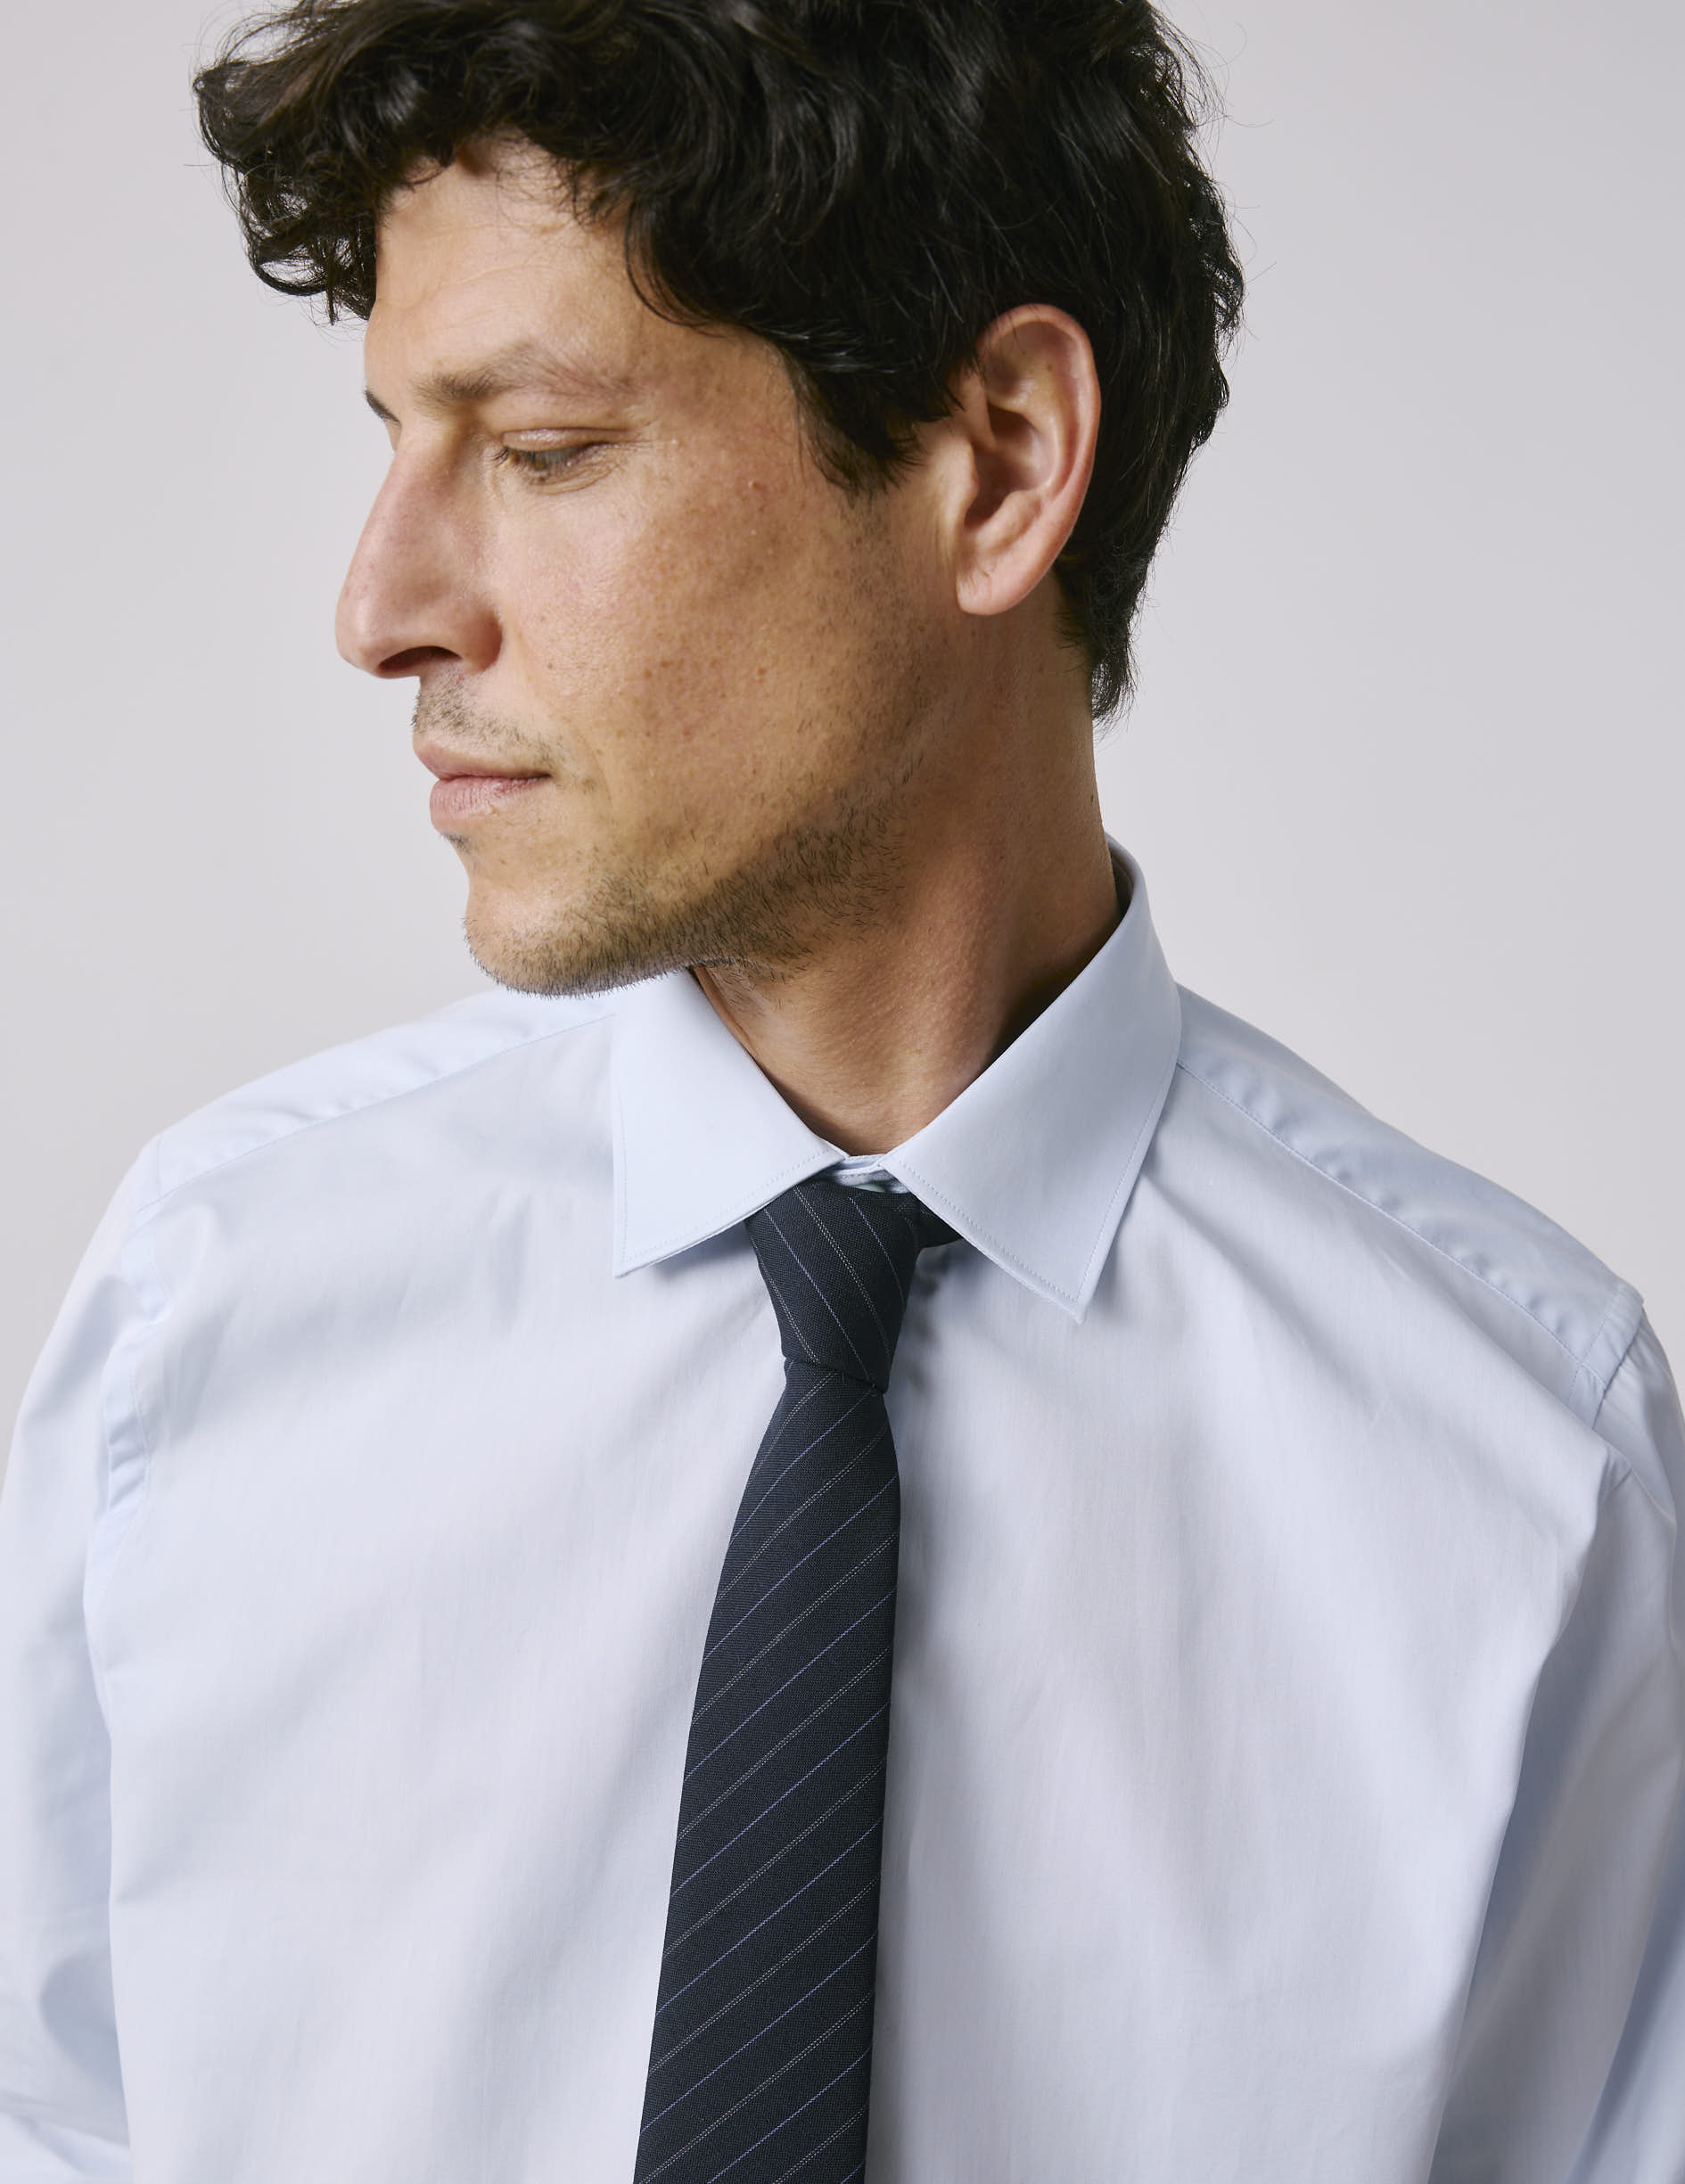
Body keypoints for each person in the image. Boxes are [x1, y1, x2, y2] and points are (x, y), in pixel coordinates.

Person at [1, 0, 1680, 2177]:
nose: (381, 605)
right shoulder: (205, 1317)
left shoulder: (1523, 1475)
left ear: (999, 459)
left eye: (541, 450)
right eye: (398, 441)